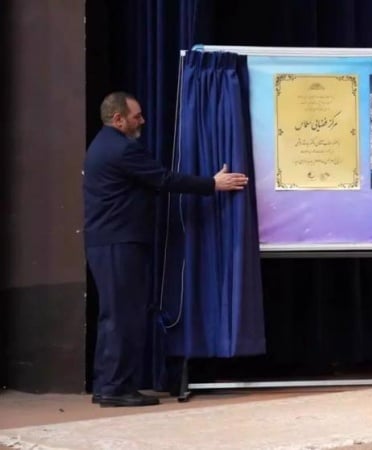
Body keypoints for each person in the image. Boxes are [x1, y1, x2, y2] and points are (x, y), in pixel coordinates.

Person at [83, 91, 249, 407]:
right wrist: (212, 184)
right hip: (120, 243)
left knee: (115, 316)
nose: (142, 121)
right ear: (118, 119)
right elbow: (163, 179)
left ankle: (108, 385)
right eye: (136, 116)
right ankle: (116, 388)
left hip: (109, 242)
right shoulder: (121, 149)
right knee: (124, 317)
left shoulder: (102, 145)